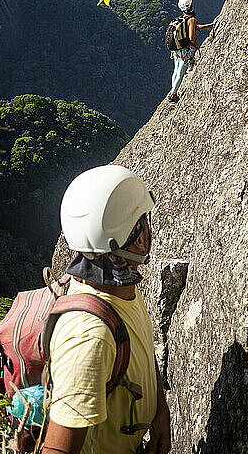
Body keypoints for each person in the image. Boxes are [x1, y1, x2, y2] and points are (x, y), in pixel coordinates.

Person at [42, 165, 171, 454]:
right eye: (144, 220)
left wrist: (160, 411)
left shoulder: (117, 287)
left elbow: (141, 346)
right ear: (138, 238)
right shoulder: (90, 339)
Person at [168, 0, 214, 103]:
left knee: (175, 71)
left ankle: (173, 90)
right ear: (190, 6)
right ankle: (173, 94)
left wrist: (210, 25)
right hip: (184, 50)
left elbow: (196, 27)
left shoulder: (182, 19)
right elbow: (191, 37)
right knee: (181, 72)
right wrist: (196, 46)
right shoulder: (191, 19)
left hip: (176, 49)